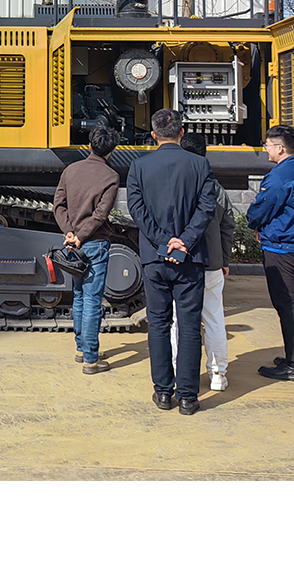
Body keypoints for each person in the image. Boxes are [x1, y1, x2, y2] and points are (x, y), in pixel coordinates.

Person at [127, 108, 218, 415]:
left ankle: (163, 392)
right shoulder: (200, 165)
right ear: (181, 132)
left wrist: (163, 242)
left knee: (158, 324)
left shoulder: (138, 167)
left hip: (154, 258)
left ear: (153, 135)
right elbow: (207, 209)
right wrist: (185, 241)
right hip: (190, 258)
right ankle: (189, 398)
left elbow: (137, 211)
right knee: (190, 326)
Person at [246, 124, 294, 382]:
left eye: (267, 145)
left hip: (282, 247)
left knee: (288, 304)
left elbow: (262, 207)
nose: (265, 149)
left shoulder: (279, 176)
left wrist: (254, 224)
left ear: (279, 148)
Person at [53, 125, 120, 374]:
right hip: (95, 243)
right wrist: (81, 236)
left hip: (74, 245)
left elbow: (58, 205)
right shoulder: (111, 176)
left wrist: (69, 233)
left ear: (89, 145)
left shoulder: (70, 171)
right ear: (112, 151)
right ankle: (91, 359)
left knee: (79, 296)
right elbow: (101, 214)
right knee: (92, 300)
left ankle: (82, 348)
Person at [170, 133, 235, 392]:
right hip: (212, 264)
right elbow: (227, 226)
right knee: (214, 319)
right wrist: (225, 259)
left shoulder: (175, 185)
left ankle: (179, 370)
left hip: (182, 262)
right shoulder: (216, 188)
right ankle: (218, 374)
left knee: (179, 319)